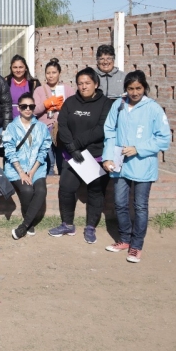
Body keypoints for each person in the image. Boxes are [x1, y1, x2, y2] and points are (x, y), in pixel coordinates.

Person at [103, 71, 171, 263]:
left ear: (145, 88)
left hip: (143, 164)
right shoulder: (119, 104)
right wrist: (108, 157)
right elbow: (109, 131)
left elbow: (164, 139)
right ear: (126, 88)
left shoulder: (154, 109)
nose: (134, 92)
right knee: (120, 202)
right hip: (120, 164)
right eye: (131, 88)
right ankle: (124, 239)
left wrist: (139, 149)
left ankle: (136, 245)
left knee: (140, 206)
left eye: (138, 88)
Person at [49, 67, 114, 243]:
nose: (84, 87)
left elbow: (101, 129)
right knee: (66, 188)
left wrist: (76, 145)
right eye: (80, 83)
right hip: (73, 156)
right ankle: (67, 224)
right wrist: (72, 149)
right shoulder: (70, 102)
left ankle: (90, 227)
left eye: (87, 83)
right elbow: (62, 125)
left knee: (95, 191)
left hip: (95, 156)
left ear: (96, 84)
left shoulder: (106, 104)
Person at [2, 92, 51, 240]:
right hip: (16, 168)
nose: (28, 109)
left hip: (37, 167)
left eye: (31, 106)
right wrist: (22, 173)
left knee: (41, 191)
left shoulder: (41, 127)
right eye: (24, 106)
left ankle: (24, 225)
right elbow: (9, 152)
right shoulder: (11, 127)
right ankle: (29, 223)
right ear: (19, 108)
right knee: (27, 190)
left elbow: (44, 150)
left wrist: (33, 171)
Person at [33, 58, 74, 175]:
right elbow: (34, 110)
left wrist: (64, 107)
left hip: (62, 129)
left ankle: (62, 186)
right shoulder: (39, 90)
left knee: (63, 160)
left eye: (54, 72)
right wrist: (47, 104)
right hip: (44, 130)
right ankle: (49, 187)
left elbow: (73, 108)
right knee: (48, 161)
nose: (51, 76)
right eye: (48, 73)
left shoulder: (67, 89)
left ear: (59, 73)